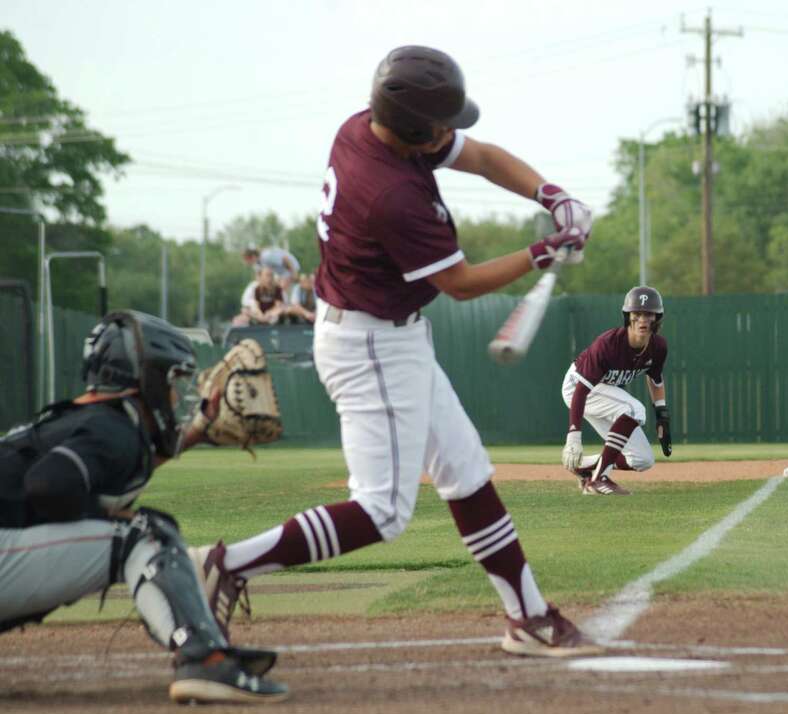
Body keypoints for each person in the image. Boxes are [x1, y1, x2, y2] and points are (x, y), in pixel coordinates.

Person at [188, 45, 599, 657]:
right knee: (382, 512)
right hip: (369, 343)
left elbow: (482, 156)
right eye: (441, 125)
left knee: (465, 471)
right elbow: (458, 285)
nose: (451, 134)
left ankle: (528, 615)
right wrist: (541, 253)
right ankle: (226, 565)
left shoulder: (369, 128)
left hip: (386, 333)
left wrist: (552, 196)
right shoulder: (390, 194)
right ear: (414, 131)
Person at [0, 311, 288, 704]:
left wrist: (197, 430)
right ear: (145, 377)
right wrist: (107, 518)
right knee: (146, 532)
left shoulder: (92, 422)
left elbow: (108, 474)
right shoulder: (111, 427)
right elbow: (47, 485)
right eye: (171, 381)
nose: (174, 395)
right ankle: (204, 659)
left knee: (129, 526)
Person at [560, 286, 673, 496]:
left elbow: (655, 379)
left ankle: (584, 467)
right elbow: (581, 391)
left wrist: (662, 414)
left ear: (657, 317)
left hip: (601, 392)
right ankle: (598, 480)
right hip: (577, 387)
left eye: (648, 314)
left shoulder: (658, 347)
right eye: (637, 313)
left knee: (642, 459)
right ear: (628, 316)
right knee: (634, 409)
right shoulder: (608, 344)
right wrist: (573, 436)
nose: (642, 319)